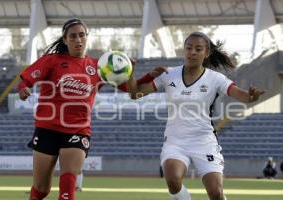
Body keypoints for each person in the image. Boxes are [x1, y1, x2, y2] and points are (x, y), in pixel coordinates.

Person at [18, 18, 165, 200]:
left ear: (87, 37)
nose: (78, 40)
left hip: (78, 130)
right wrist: (23, 88)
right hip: (47, 128)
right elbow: (26, 80)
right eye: (73, 36)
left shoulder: (99, 67)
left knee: (68, 183)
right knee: (41, 189)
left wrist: (145, 76)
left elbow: (129, 89)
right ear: (65, 39)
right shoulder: (52, 61)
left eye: (81, 35)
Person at [127, 32, 264, 200]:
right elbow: (135, 94)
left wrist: (251, 97)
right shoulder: (169, 74)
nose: (192, 52)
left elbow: (239, 94)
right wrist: (129, 74)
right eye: (188, 48)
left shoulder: (216, 79)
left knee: (215, 193)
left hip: (204, 141)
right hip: (175, 140)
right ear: (184, 50)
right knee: (173, 179)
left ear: (206, 54)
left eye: (198, 49)